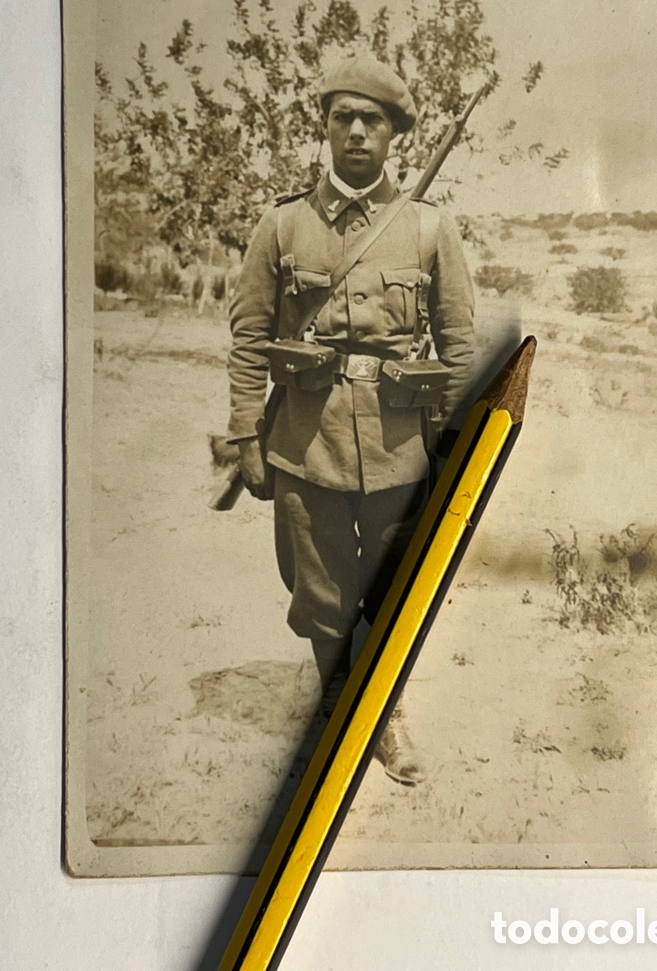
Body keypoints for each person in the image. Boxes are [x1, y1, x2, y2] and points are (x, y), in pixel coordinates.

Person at [226, 52, 474, 785]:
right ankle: (342, 710)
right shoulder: (282, 226)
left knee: (396, 590)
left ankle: (385, 715)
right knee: (322, 593)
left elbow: (459, 347)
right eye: (344, 118)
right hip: (305, 443)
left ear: (395, 135)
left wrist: (458, 448)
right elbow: (246, 338)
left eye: (374, 120)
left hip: (404, 446)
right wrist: (246, 436)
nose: (358, 132)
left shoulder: (430, 229)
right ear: (326, 128)